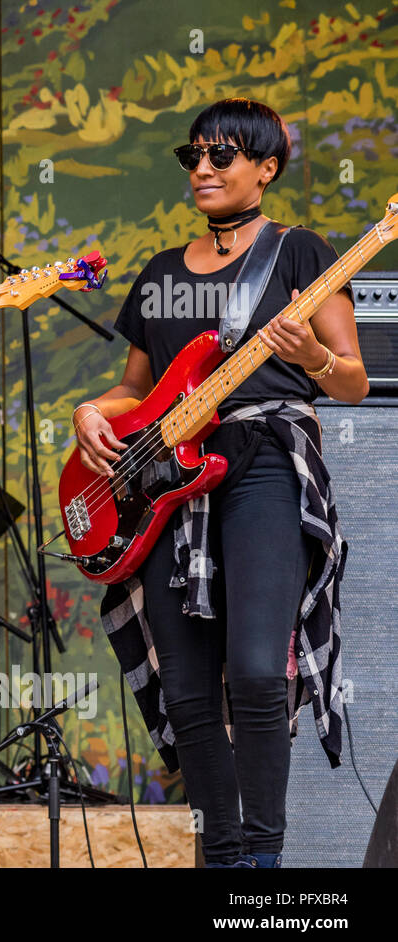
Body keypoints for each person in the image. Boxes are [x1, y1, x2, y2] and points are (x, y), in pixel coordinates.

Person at [73, 99, 367, 868]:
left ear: (267, 168)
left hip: (263, 459)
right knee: (190, 693)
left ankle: (264, 867)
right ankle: (223, 861)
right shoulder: (161, 273)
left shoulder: (301, 254)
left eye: (223, 156)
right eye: (193, 156)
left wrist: (310, 359)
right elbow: (134, 392)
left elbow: (354, 382)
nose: (203, 168)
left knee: (260, 672)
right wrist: (90, 412)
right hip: (170, 476)